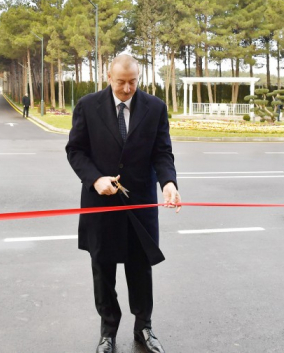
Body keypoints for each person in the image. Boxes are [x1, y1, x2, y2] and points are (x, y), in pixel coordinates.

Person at [66, 55, 181, 353]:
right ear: (108, 77)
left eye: (133, 82)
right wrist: (95, 179)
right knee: (102, 269)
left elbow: (162, 152)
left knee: (140, 268)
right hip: (100, 204)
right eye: (121, 82)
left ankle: (144, 326)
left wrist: (168, 183)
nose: (127, 88)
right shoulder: (88, 106)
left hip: (140, 204)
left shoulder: (155, 108)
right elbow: (75, 150)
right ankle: (108, 331)